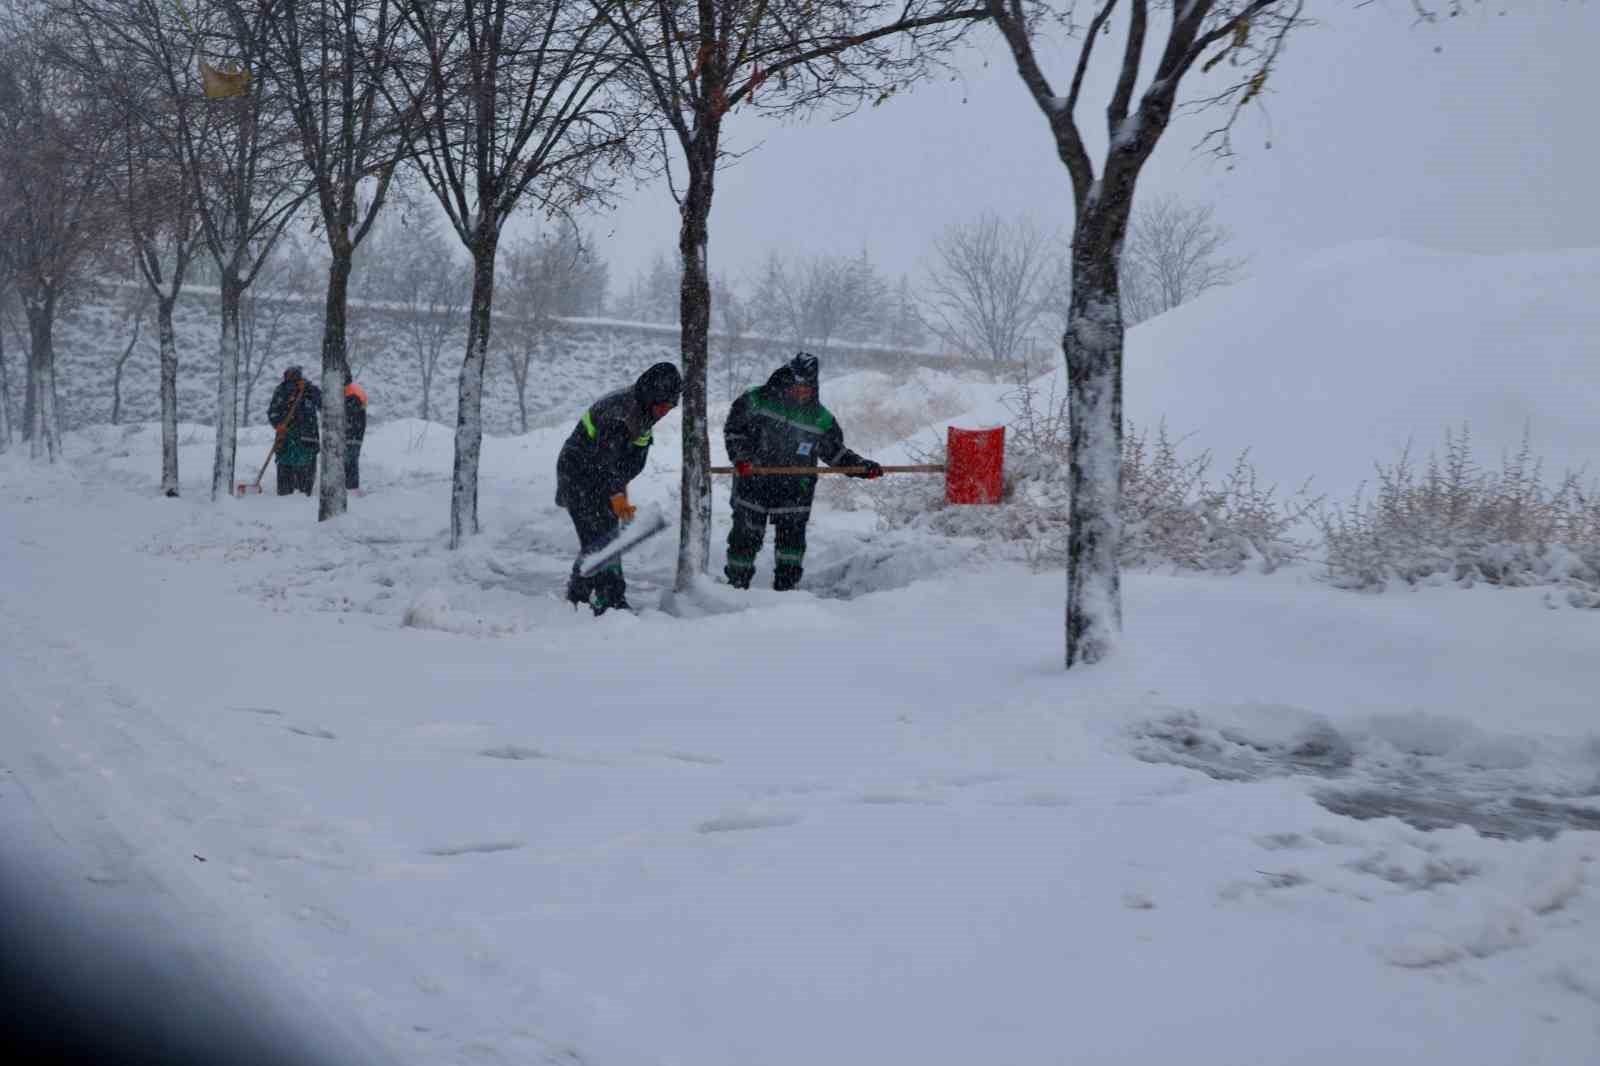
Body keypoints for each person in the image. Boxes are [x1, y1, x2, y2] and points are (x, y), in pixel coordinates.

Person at [723, 352, 882, 592]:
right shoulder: (756, 400)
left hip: (795, 490)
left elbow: (836, 453)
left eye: (806, 387)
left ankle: (786, 594)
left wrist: (861, 467)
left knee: (791, 543)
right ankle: (735, 587)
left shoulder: (820, 418)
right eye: (796, 385)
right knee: (745, 537)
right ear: (786, 379)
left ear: (814, 386)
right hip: (752, 482)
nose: (800, 392)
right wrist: (741, 458)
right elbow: (735, 431)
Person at [555, 362, 683, 615]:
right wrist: (619, 499)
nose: (665, 411)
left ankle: (580, 595)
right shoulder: (619, 415)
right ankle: (608, 599)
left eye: (671, 405)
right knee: (601, 540)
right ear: (651, 396)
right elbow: (607, 465)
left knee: (603, 539)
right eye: (663, 405)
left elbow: (625, 463)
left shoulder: (644, 410)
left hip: (599, 477)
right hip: (578, 477)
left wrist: (619, 494)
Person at [266, 365, 321, 497]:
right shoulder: (281, 390)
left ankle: (304, 493)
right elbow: (273, 411)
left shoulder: (309, 390)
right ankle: (285, 494)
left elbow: (322, 403)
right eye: (289, 376)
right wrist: (278, 424)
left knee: (305, 471)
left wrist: (308, 389)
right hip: (285, 437)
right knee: (285, 469)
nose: (291, 378)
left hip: (307, 437)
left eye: (294, 375)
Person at [343, 368, 367, 494]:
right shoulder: (354, 390)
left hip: (350, 434)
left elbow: (350, 415)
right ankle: (351, 488)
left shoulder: (350, 394)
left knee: (349, 462)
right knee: (351, 462)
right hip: (355, 433)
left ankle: (350, 489)